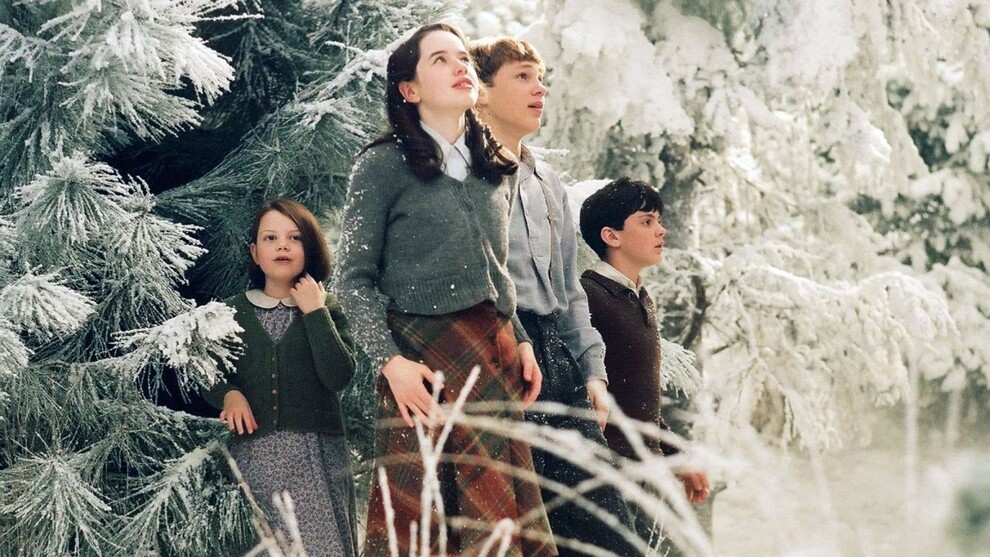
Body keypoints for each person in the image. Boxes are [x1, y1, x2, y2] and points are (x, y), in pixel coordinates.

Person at [332, 22, 556, 557]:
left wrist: (522, 339)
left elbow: (497, 274)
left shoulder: (495, 166)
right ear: (409, 90)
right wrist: (391, 363)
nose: (460, 67)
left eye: (463, 58)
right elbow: (351, 280)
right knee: (427, 534)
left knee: (499, 526)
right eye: (440, 60)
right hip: (424, 369)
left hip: (496, 360)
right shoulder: (381, 165)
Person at [471, 37, 641, 556]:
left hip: (558, 362)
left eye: (541, 78)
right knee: (524, 530)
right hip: (499, 353)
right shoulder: (464, 177)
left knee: (606, 526)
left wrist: (593, 372)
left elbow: (568, 290)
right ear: (481, 91)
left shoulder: (547, 182)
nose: (539, 88)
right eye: (522, 76)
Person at [203, 198, 358, 557]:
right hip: (253, 456)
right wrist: (229, 395)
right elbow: (208, 371)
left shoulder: (327, 308)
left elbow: (339, 375)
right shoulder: (231, 312)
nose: (282, 246)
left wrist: (314, 312)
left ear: (310, 248)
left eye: (294, 238)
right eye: (271, 238)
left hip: (317, 456)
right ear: (255, 253)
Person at [578, 178, 709, 547]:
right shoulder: (589, 297)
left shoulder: (639, 298)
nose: (661, 230)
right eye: (647, 221)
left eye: (659, 221)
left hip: (642, 474)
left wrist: (677, 457)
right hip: (608, 475)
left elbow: (637, 403)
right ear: (611, 236)